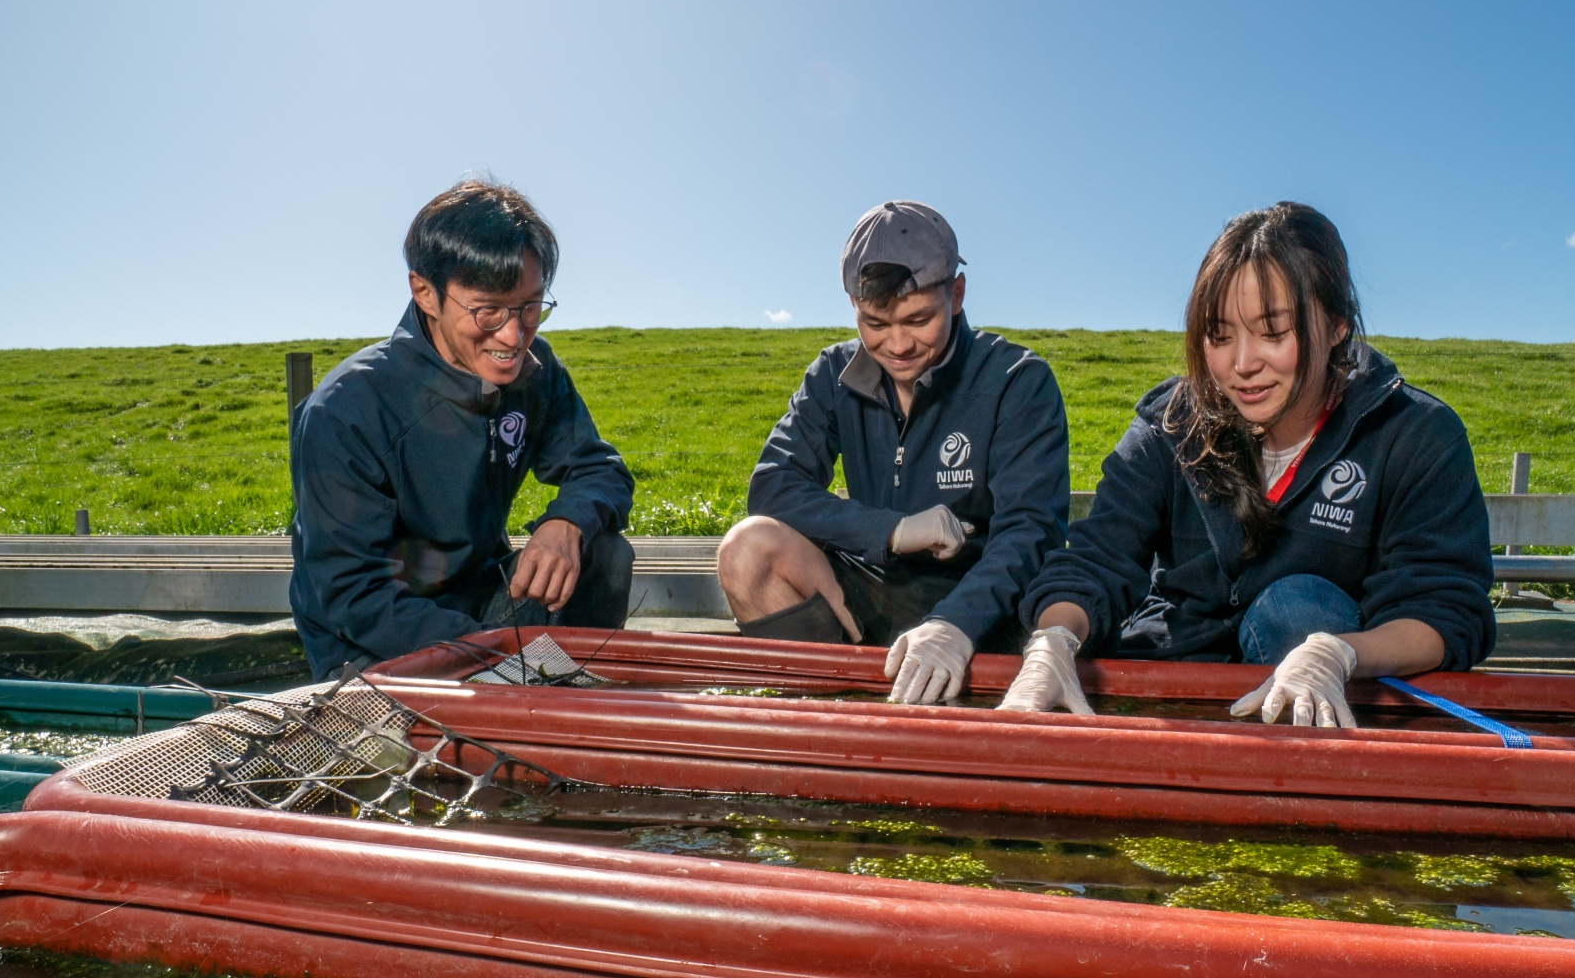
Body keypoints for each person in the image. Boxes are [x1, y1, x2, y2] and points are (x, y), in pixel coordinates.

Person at [997, 202, 1494, 725]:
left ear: (1337, 325)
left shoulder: (1415, 435)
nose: (1242, 364)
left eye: (1272, 332)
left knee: (1299, 607)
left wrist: (1340, 653)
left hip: (1321, 710)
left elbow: (1446, 609)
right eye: (1219, 336)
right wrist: (1053, 640)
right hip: (1175, 681)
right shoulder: (1169, 427)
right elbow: (1097, 560)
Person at [717, 200, 1070, 705]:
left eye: (918, 318)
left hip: (983, 606)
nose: (898, 345)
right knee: (747, 550)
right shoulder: (832, 374)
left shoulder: (1018, 381)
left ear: (957, 294)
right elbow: (772, 486)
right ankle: (825, 722)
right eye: (875, 324)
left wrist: (955, 623)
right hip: (873, 584)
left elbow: (1031, 532)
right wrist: (892, 532)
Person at [289, 180, 635, 679]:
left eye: (530, 307)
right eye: (487, 310)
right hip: (375, 649)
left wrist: (567, 524)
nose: (514, 336)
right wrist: (498, 653)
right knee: (481, 719)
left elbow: (601, 470)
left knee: (602, 552)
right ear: (425, 293)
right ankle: (541, 693)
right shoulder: (343, 412)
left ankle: (554, 696)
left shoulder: (537, 372)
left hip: (485, 609)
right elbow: (355, 598)